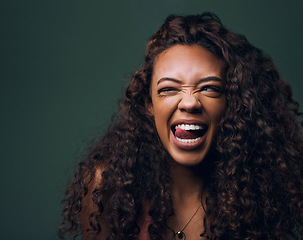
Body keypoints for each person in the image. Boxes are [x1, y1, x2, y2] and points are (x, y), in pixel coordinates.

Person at [59, 12, 303, 240]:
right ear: (149, 104)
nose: (189, 102)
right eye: (168, 89)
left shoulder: (258, 196)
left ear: (231, 103)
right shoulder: (107, 189)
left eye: (209, 88)